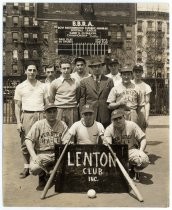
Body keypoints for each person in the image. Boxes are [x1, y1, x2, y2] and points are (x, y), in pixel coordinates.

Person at [14, 62, 48, 179]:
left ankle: (42, 168)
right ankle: (27, 167)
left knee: (41, 142)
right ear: (25, 71)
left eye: (34, 70)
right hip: (27, 115)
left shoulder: (43, 86)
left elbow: (47, 103)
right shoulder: (20, 87)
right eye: (30, 70)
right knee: (25, 142)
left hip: (40, 115)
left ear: (37, 72)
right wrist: (18, 122)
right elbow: (17, 106)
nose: (32, 72)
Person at [25, 104, 68, 191]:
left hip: (57, 153)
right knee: (33, 168)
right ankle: (43, 175)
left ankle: (53, 172)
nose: (52, 114)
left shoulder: (62, 124)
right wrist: (34, 156)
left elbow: (66, 141)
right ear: (44, 113)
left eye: (54, 111)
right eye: (49, 112)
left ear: (57, 112)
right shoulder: (39, 124)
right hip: (43, 154)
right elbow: (28, 140)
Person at [104, 109, 149, 182]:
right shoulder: (109, 129)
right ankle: (123, 168)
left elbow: (143, 138)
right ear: (112, 120)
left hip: (130, 150)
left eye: (120, 118)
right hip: (117, 153)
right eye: (115, 119)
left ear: (124, 117)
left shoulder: (132, 125)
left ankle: (135, 170)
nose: (118, 120)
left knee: (144, 160)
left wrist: (141, 151)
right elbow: (108, 145)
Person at [79, 56, 114, 128]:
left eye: (99, 66)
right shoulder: (84, 82)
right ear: (91, 68)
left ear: (102, 67)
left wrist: (112, 115)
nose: (97, 68)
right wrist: (82, 115)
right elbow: (82, 100)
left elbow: (112, 99)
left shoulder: (109, 81)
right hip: (90, 113)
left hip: (105, 113)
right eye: (95, 67)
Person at [49, 58, 80, 127]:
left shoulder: (76, 82)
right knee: (59, 131)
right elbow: (51, 98)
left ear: (71, 68)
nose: (66, 70)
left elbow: (78, 97)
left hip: (72, 110)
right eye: (64, 68)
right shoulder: (55, 83)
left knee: (72, 132)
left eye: (68, 68)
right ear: (60, 69)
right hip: (59, 110)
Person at [132, 64, 152, 132]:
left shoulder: (146, 86)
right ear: (133, 72)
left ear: (142, 73)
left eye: (139, 72)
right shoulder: (128, 84)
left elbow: (147, 103)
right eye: (136, 72)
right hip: (131, 110)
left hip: (141, 111)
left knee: (141, 133)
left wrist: (146, 118)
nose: (137, 74)